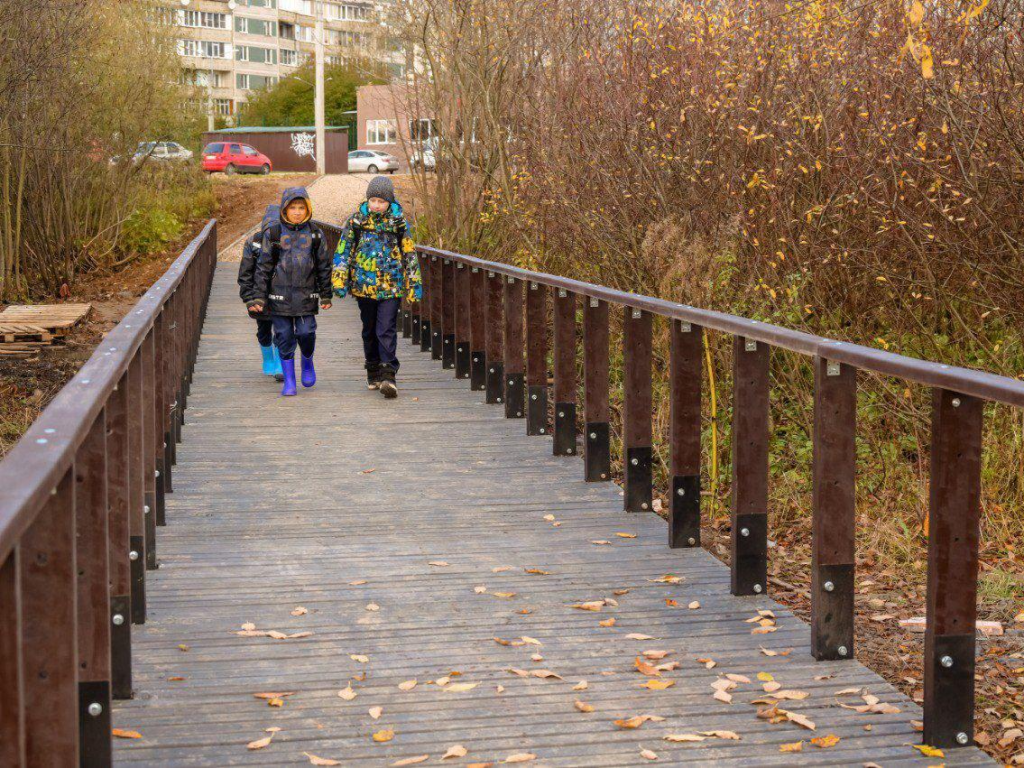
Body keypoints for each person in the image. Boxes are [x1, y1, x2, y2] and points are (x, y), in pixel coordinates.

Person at [332, 175, 421, 398]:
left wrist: (414, 284)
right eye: (373, 200)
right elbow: (343, 250)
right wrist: (339, 279)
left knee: (387, 328)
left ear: (389, 201)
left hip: (391, 286)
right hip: (364, 285)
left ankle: (389, 374)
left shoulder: (398, 223)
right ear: (367, 200)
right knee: (369, 329)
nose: (376, 205)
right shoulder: (356, 222)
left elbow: (409, 254)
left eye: (381, 201)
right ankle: (373, 369)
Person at [247, 187, 332, 397]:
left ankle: (307, 362)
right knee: (284, 336)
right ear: (285, 209)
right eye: (292, 207)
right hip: (279, 297)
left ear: (308, 208)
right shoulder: (274, 233)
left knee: (306, 333)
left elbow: (324, 265)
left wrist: (326, 293)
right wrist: (258, 296)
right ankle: (289, 381)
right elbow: (263, 267)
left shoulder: (315, 234)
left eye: (301, 207)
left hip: (306, 296)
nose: (296, 212)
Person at [237, 204, 283, 382]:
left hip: (282, 294)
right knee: (264, 330)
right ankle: (268, 358)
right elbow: (245, 273)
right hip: (259, 294)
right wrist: (248, 298)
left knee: (282, 330)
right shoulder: (253, 243)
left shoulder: (286, 241)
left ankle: (280, 363)